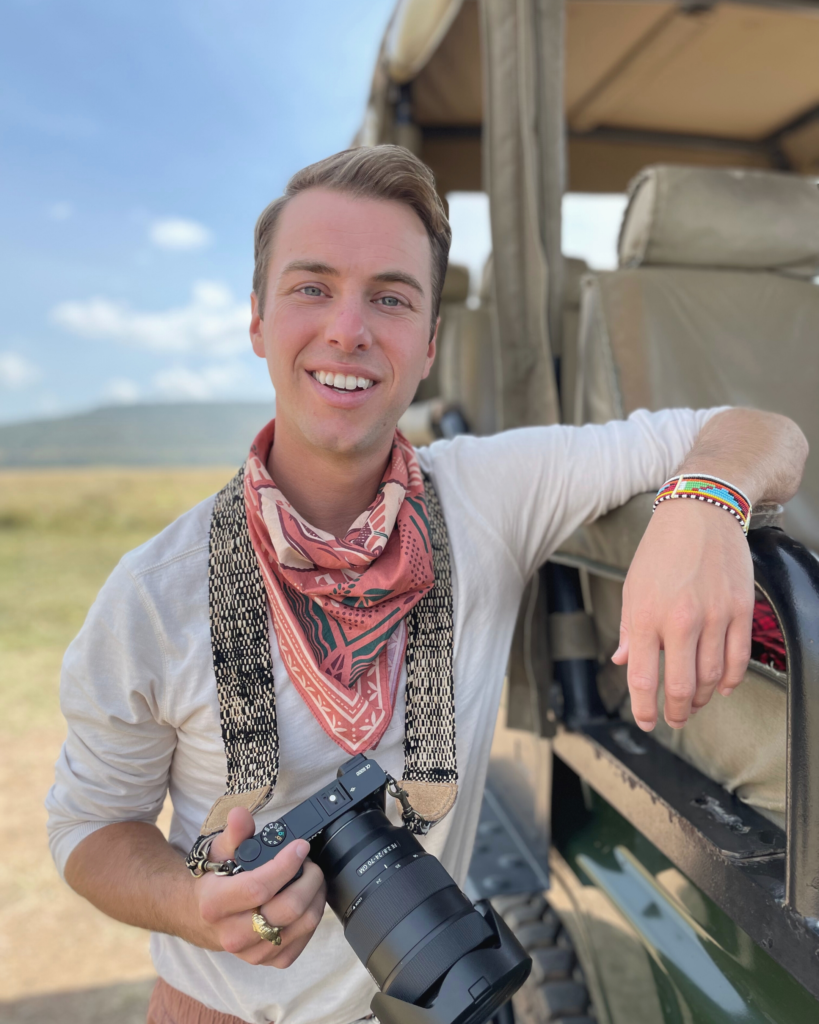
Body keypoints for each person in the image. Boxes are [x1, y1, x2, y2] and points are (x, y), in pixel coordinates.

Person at [47, 146, 808, 1024]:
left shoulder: (486, 493)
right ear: (256, 321)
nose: (347, 328)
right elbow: (88, 829)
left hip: (437, 999)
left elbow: (759, 428)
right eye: (310, 287)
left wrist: (700, 509)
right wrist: (194, 905)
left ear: (428, 342)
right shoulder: (154, 594)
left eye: (391, 297)